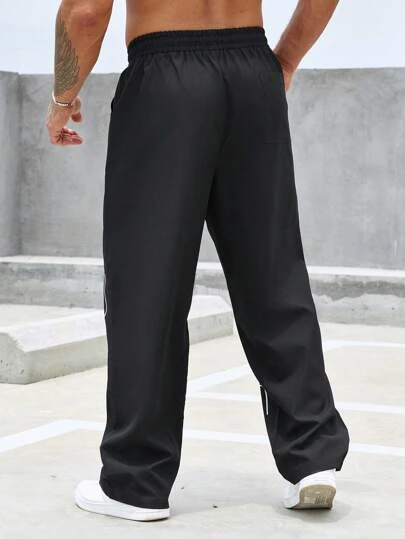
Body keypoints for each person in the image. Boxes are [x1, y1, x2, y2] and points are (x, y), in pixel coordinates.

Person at [46, 0, 349, 522]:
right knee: (272, 273)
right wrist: (284, 60)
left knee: (148, 283)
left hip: (165, 80)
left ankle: (136, 481)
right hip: (252, 72)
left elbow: (87, 12)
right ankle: (313, 458)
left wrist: (61, 98)